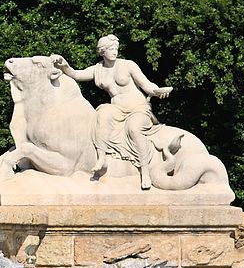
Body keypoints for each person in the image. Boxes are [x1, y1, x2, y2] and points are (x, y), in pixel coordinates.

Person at [53, 35, 172, 189]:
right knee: (102, 114)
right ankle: (101, 158)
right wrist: (64, 65)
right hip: (117, 108)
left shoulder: (128, 65)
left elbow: (147, 85)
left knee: (134, 129)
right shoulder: (98, 69)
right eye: (110, 49)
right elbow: (77, 74)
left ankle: (145, 171)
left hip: (137, 107)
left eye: (116, 48)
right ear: (102, 51)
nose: (114, 52)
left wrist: (158, 91)